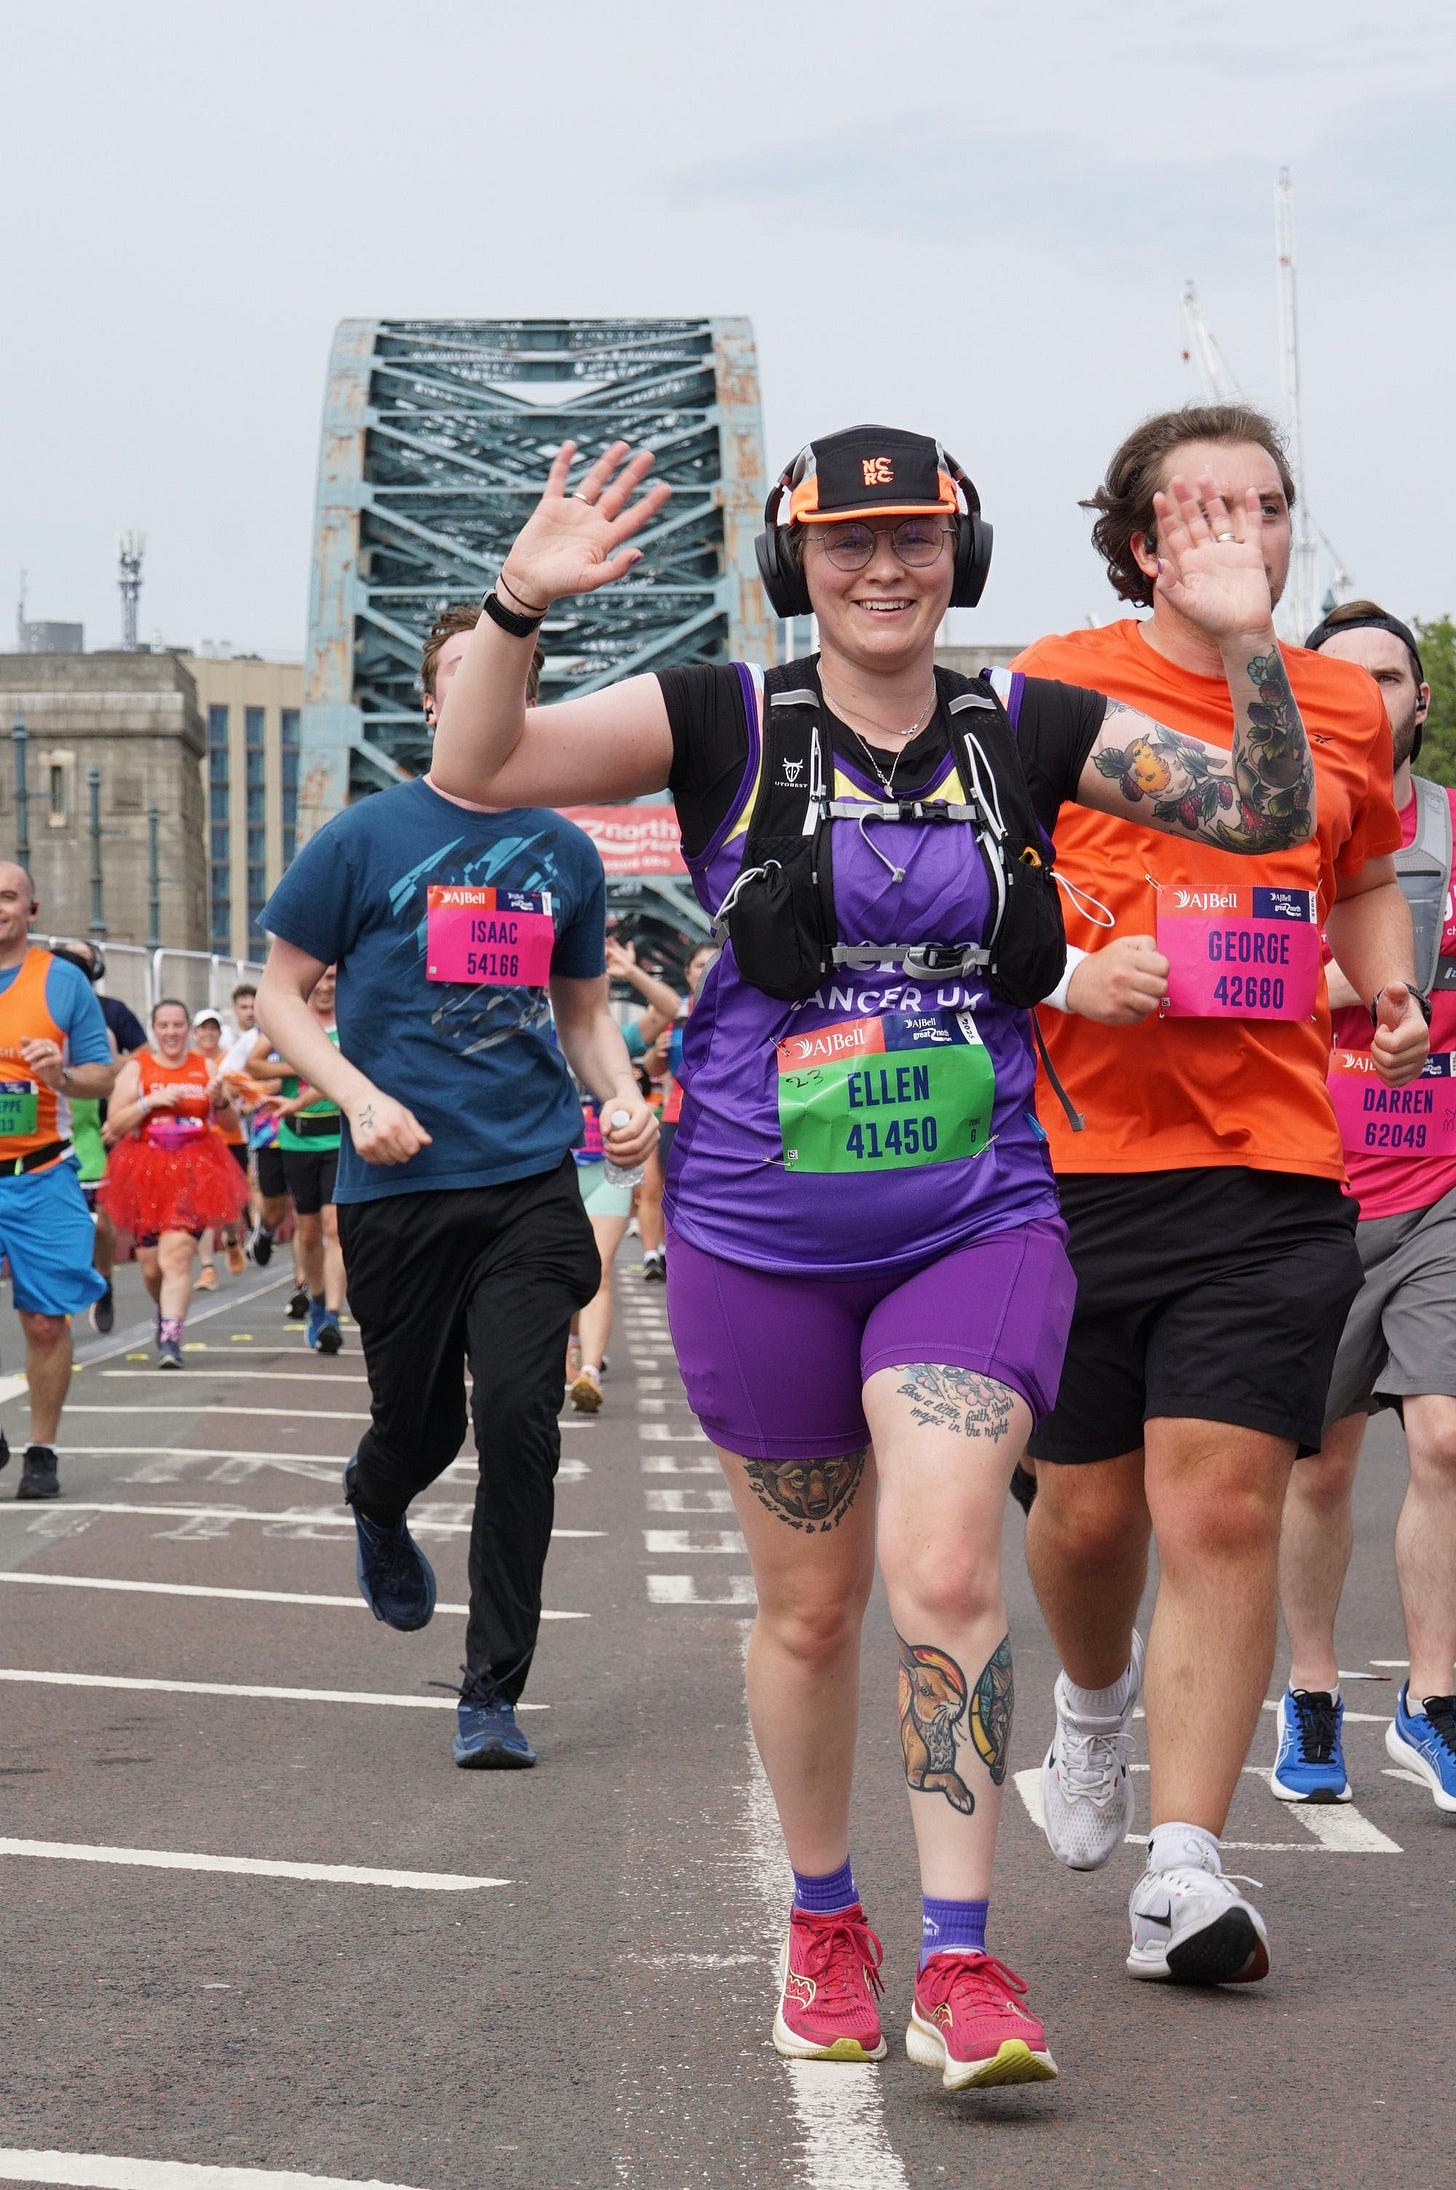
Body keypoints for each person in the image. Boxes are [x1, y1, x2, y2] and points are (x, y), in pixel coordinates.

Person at [429, 424, 1318, 2086]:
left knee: (953, 1574)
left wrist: (1244, 632)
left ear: (960, 557)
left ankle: (965, 1964)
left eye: (916, 537)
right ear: (796, 569)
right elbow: (481, 763)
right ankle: (826, 1919)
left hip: (969, 1225)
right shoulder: (718, 722)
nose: (885, 567)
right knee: (815, 1612)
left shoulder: (1025, 727)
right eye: (847, 544)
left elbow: (1265, 809)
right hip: (762, 1244)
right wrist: (516, 602)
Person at [1012, 404, 1428, 1987]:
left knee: (1223, 1503)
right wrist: (1065, 958)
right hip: (1078, 1154)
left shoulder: (1333, 702)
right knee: (1090, 1508)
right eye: (1199, 511)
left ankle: (1183, 1867)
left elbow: (1362, 871)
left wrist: (1387, 986)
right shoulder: (1056, 682)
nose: (1235, 533)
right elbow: (980, 864)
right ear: (1137, 541)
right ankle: (1093, 1704)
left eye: (1261, 506)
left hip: (1269, 1162)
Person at [255, 602, 653, 1772]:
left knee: (521, 1421)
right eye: (465, 673)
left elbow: (582, 1015)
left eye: (510, 673)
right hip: (397, 1184)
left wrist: (620, 1099)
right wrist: (358, 1098)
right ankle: (377, 1500)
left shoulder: (563, 852)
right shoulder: (364, 839)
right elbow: (280, 993)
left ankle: (491, 1690)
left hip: (529, 1176)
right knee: (417, 1426)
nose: (488, 690)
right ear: (434, 703)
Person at [1271, 602, 1456, 1814]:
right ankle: (1314, 1695)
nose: (1369, 699)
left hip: (1437, 1185)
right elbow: (1233, 979)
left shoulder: (1448, 831)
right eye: (1341, 680)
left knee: (1444, 1438)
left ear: (1418, 701)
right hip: (1305, 1186)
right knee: (1319, 1472)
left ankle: (1432, 1703)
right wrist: (1375, 977)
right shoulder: (1263, 824)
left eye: (1390, 678)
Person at [0, 867, 115, 1496]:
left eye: (8, 896)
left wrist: (61, 1077)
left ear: (32, 909)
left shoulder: (61, 981)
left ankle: (40, 1448)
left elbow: (105, 1075)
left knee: (45, 1323)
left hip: (39, 1172)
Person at [101, 1000, 251, 1367]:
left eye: (178, 1025)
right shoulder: (138, 1068)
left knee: (178, 1254)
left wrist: (220, 1101)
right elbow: (115, 1125)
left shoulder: (206, 1066)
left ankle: (171, 1337)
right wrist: (148, 1102)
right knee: (151, 1265)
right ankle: (164, 1311)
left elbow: (231, 1124)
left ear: (189, 1030)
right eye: (164, 1025)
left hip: (195, 1170)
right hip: (146, 1172)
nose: (171, 1032)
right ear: (154, 1029)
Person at [52, 940, 147, 1334]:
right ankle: (58, 1296)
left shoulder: (108, 1016)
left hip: (94, 1124)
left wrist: (121, 1099)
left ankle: (103, 1279)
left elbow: (139, 1060)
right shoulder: (30, 1010)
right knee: (59, 1225)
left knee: (102, 1224)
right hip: (41, 1133)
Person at [267, 963, 346, 1355]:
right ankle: (315, 1300)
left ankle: (332, 1315)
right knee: (309, 1230)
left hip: (338, 1137)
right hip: (297, 1141)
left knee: (334, 1225)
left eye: (333, 978)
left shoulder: (350, 1020)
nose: (326, 986)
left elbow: (339, 1072)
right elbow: (249, 1061)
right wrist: (292, 1065)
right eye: (321, 978)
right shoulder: (292, 1022)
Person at [191, 1007, 248, 1283]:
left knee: (228, 1204)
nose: (208, 1034)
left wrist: (228, 1090)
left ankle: (232, 1240)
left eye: (213, 1028)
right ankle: (206, 1267)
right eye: (203, 1028)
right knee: (203, 1202)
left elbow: (243, 1088)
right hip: (199, 1141)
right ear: (195, 1033)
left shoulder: (229, 1061)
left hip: (230, 1138)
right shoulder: (188, 1064)